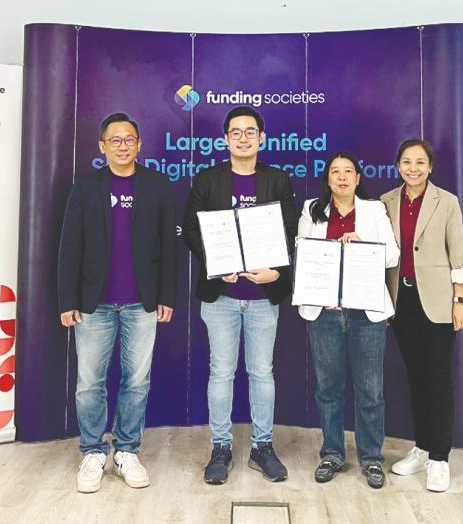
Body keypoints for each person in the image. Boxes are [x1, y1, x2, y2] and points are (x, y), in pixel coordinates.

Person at [58, 112, 177, 493]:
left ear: (140, 145)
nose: (123, 146)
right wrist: (67, 299)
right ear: (102, 147)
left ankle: (126, 450)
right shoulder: (86, 187)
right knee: (89, 383)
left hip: (141, 303)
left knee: (136, 381)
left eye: (129, 140)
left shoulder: (157, 186)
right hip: (94, 304)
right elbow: (69, 246)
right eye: (115, 140)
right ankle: (92, 452)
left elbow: (169, 248)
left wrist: (166, 296)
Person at [182, 106, 296, 485]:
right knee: (221, 372)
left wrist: (277, 270)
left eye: (251, 132)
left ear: (262, 139)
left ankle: (263, 447)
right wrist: (217, 264)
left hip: (264, 295)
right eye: (236, 132)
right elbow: (193, 231)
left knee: (262, 372)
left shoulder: (277, 180)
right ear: (225, 139)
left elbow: (290, 230)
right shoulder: (208, 179)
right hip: (221, 296)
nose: (243, 138)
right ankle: (221, 448)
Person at [296, 151, 399, 489]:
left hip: (365, 314)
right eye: (335, 172)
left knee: (370, 390)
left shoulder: (374, 210)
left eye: (348, 172)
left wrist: (363, 245)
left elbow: (393, 254)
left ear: (357, 178)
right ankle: (332, 453)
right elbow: (302, 255)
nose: (341, 177)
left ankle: (371, 458)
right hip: (324, 315)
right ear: (327, 179)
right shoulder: (312, 210)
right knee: (328, 389)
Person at [380, 139, 463, 493]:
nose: (413, 168)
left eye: (420, 162)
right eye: (406, 162)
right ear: (398, 165)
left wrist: (459, 300)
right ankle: (421, 447)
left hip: (437, 300)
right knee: (415, 376)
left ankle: (440, 458)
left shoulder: (446, 202)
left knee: (438, 378)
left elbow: (458, 254)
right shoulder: (386, 201)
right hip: (401, 301)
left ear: (430, 167)